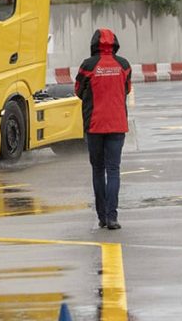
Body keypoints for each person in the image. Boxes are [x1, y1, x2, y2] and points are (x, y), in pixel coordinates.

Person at [74, 28, 132, 230]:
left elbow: (78, 91)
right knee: (113, 170)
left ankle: (102, 217)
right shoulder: (123, 65)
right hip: (117, 124)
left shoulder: (88, 66)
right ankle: (113, 217)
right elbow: (127, 89)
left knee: (98, 170)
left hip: (94, 125)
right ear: (114, 44)